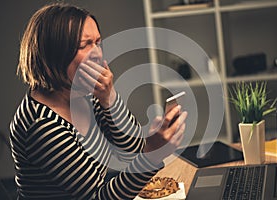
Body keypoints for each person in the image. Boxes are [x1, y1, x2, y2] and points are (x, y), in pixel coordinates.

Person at [9, 3, 187, 199]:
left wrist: (108, 98)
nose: (98, 54)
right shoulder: (42, 125)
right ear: (52, 54)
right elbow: (99, 197)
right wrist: (151, 156)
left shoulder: (82, 93)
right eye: (84, 45)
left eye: (98, 42)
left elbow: (131, 150)